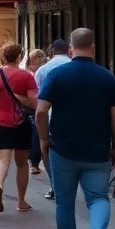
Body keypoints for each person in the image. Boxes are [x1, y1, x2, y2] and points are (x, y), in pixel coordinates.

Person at [35, 28, 115, 229]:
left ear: (71, 49)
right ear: (93, 47)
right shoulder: (107, 78)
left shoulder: (57, 75)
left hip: (62, 149)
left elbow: (41, 112)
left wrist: (44, 138)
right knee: (98, 197)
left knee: (64, 204)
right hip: (97, 150)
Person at [0, 43, 38, 213]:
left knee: (2, 160)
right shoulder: (26, 76)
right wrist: (21, 99)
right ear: (19, 57)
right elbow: (35, 103)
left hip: (0, 122)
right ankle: (21, 201)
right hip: (21, 123)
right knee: (22, 163)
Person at [36, 39, 73, 200]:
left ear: (52, 51)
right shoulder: (76, 66)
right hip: (76, 118)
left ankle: (55, 185)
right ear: (69, 50)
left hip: (50, 117)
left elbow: (38, 99)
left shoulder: (43, 70)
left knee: (47, 151)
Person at [25, 49, 48, 176]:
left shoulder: (29, 72)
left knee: (35, 134)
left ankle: (34, 163)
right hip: (46, 105)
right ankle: (40, 160)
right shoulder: (46, 70)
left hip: (35, 106)